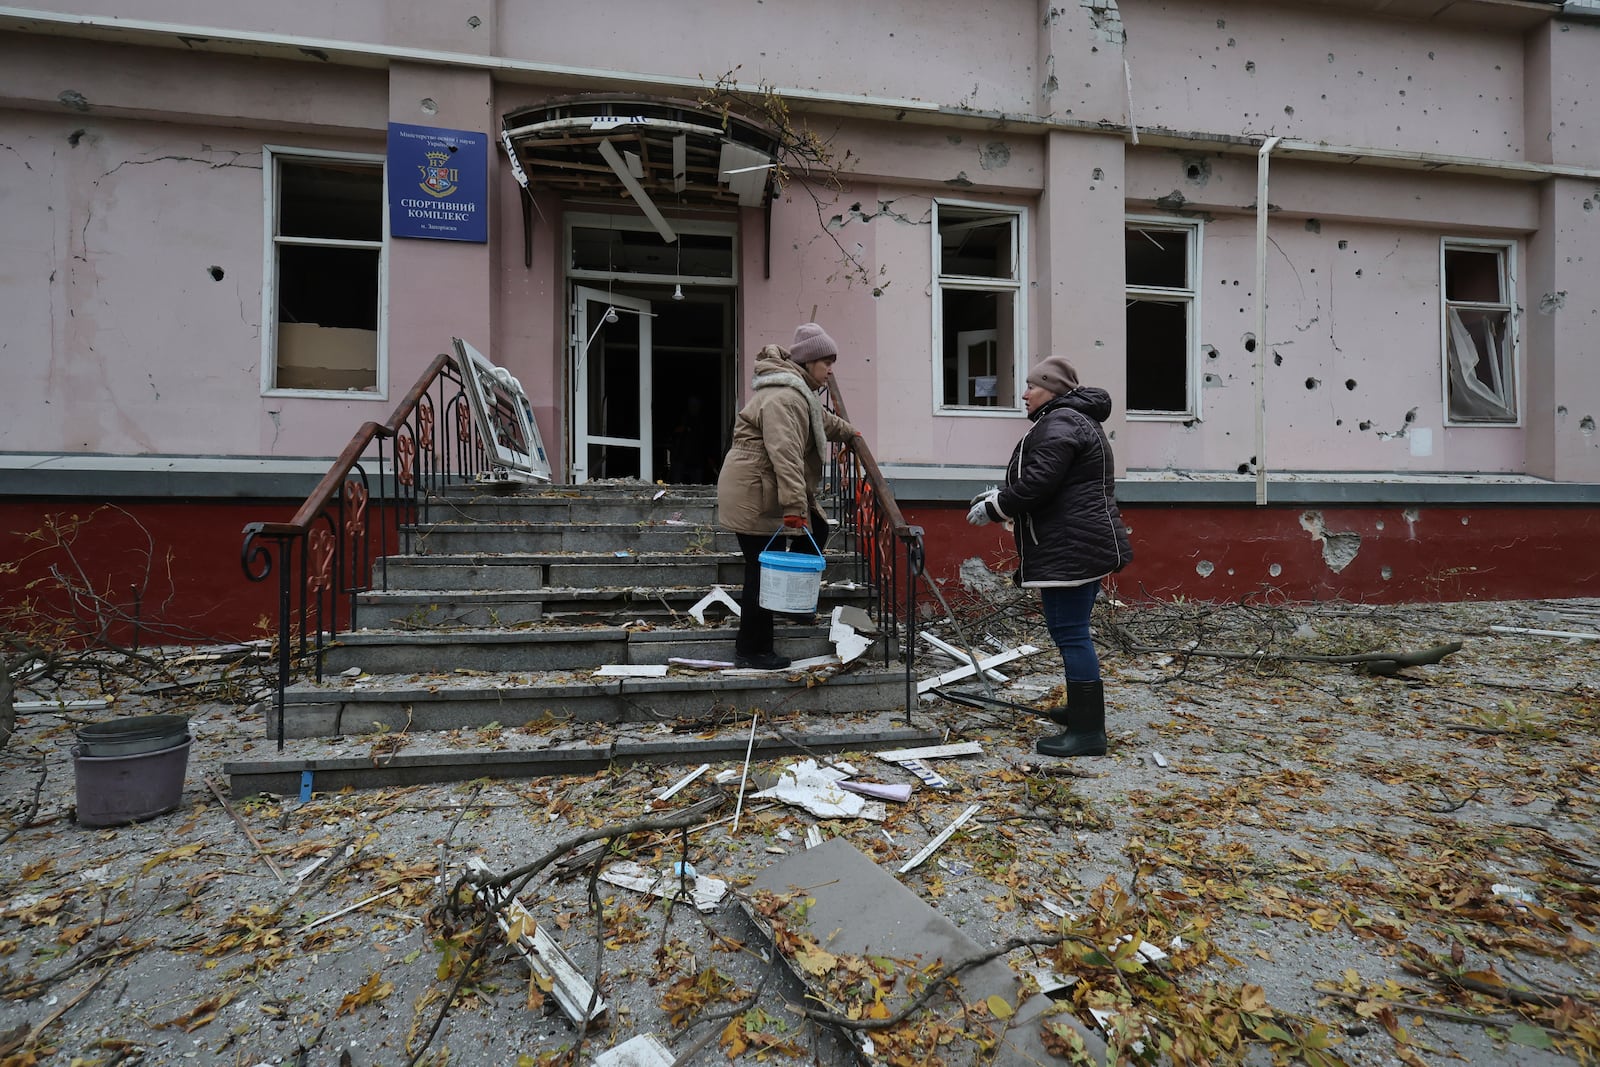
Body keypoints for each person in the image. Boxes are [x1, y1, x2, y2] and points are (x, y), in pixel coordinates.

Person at [967, 355, 1132, 757]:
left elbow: (1040, 482)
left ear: (1053, 390)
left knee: (1072, 634)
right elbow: (1046, 480)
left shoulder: (1060, 422)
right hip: (1072, 545)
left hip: (1073, 548)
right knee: (1068, 631)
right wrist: (1001, 496)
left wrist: (996, 508)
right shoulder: (1067, 420)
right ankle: (1081, 712)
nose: (1024, 394)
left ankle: (1089, 733)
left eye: (1031, 386)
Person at [716, 323, 860, 669]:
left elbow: (819, 419)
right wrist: (795, 510)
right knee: (762, 572)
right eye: (826, 362)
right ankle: (753, 650)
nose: (830, 370)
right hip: (756, 494)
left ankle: (792, 608)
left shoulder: (796, 394)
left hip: (760, 489)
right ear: (809, 362)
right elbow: (786, 455)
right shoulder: (784, 397)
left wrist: (849, 432)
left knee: (817, 534)